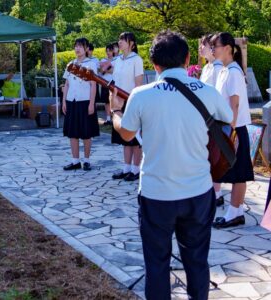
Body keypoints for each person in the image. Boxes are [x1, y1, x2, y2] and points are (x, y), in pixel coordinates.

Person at [113, 30, 232, 299]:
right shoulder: (207, 91)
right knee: (197, 262)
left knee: (157, 264)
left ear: (154, 64)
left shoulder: (141, 95)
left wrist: (114, 112)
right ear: (188, 57)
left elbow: (127, 133)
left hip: (157, 193)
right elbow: (228, 120)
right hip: (198, 190)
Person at [211, 32, 254, 229]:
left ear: (228, 48)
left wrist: (232, 134)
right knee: (234, 172)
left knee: (239, 172)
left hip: (235, 129)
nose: (212, 50)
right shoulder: (224, 70)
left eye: (215, 46)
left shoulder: (234, 72)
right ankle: (234, 212)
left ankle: (234, 213)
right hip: (226, 129)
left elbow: (234, 105)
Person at [62, 37, 100, 171]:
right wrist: (63, 101)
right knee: (72, 133)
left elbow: (93, 85)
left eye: (80, 46)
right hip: (71, 101)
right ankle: (75, 161)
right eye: (76, 46)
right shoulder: (71, 64)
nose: (77, 49)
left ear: (86, 49)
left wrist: (91, 104)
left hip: (85, 102)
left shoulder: (91, 64)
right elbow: (66, 84)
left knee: (86, 132)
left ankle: (87, 160)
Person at [111, 32, 144, 182]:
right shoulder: (117, 60)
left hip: (131, 101)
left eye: (123, 40)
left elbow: (138, 84)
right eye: (119, 39)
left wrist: (134, 101)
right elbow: (114, 82)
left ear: (132, 43)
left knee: (134, 138)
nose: (120, 42)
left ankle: (136, 169)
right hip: (119, 102)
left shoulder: (137, 60)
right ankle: (126, 168)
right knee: (124, 136)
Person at [199, 34, 225, 206]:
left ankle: (217, 193)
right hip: (204, 118)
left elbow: (217, 95)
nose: (201, 48)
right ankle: (213, 191)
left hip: (213, 119)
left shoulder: (217, 68)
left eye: (204, 45)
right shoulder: (207, 67)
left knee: (214, 157)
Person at [99, 44, 117, 126]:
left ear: (113, 51)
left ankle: (115, 118)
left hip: (113, 82)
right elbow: (100, 70)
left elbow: (115, 71)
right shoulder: (103, 59)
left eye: (110, 51)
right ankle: (108, 119)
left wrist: (106, 69)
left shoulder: (117, 59)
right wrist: (107, 69)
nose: (108, 52)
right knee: (106, 101)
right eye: (107, 51)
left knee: (114, 100)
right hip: (105, 82)